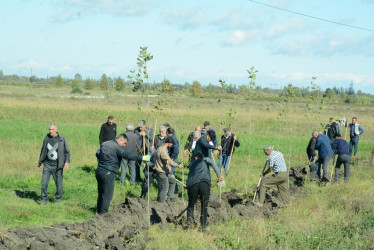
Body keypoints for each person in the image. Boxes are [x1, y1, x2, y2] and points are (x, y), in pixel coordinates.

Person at [95, 134, 150, 214]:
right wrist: (142, 158)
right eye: (124, 143)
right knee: (107, 195)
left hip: (99, 171)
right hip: (109, 173)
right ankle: (103, 214)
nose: (124, 145)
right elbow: (127, 155)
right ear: (120, 140)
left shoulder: (105, 144)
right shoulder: (116, 147)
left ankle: (98, 211)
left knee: (101, 193)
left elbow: (97, 154)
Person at [186, 152, 224, 232]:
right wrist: (219, 176)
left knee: (190, 206)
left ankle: (189, 227)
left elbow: (189, 178)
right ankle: (203, 228)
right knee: (204, 207)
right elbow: (213, 164)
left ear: (196, 157)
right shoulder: (206, 159)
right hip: (204, 183)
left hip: (193, 184)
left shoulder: (192, 164)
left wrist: (189, 191)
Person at [37, 124, 70, 204]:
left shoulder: (62, 139)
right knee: (44, 182)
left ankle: (58, 199)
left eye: (52, 129)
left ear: (56, 130)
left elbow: (67, 151)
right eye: (49, 129)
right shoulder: (47, 138)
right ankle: (44, 199)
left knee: (58, 183)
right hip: (47, 164)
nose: (50, 131)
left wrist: (66, 162)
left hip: (57, 165)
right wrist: (40, 162)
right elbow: (43, 150)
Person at [154, 137, 184, 202]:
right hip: (162, 172)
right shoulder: (162, 150)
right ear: (169, 143)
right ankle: (161, 202)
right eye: (172, 144)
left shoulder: (164, 149)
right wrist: (177, 165)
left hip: (166, 171)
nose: (172, 145)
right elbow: (169, 161)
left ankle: (170, 197)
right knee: (165, 188)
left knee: (173, 180)